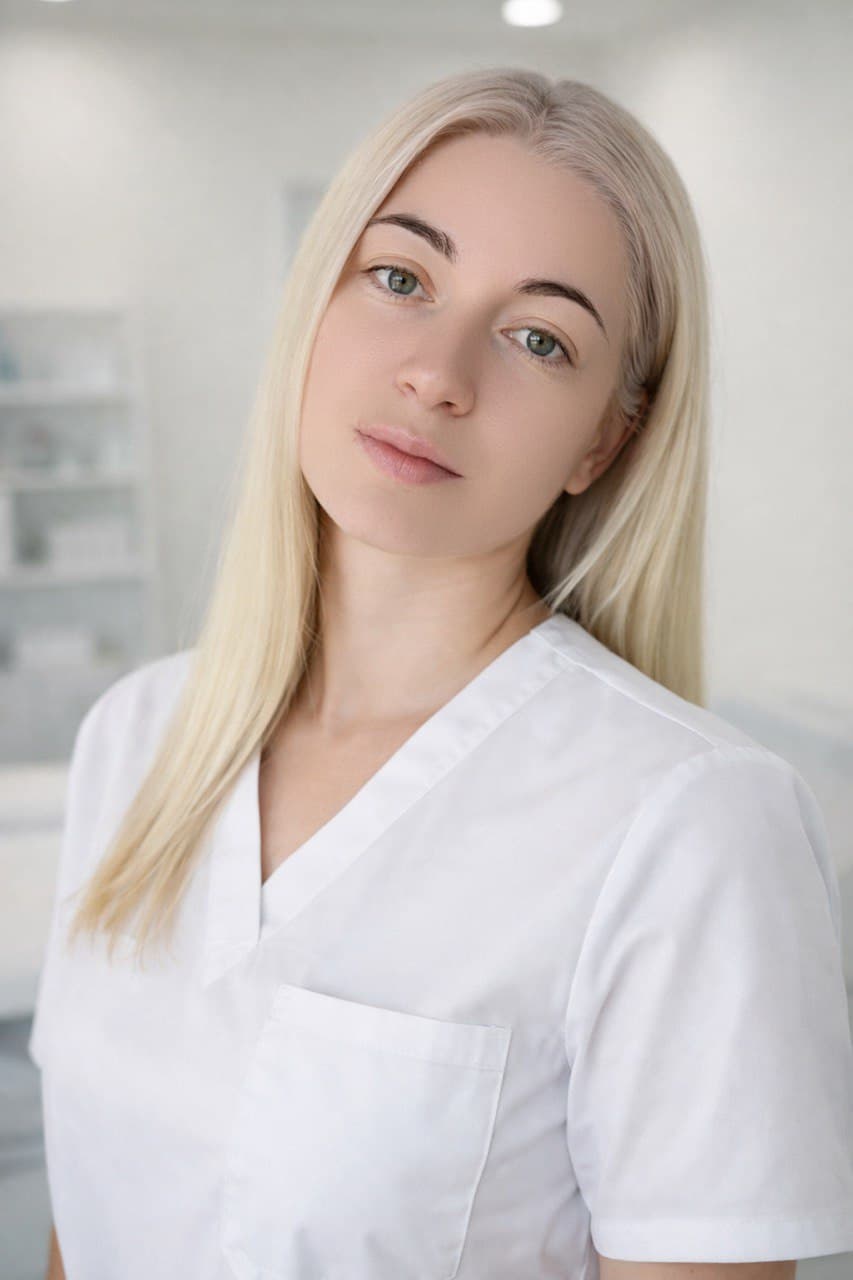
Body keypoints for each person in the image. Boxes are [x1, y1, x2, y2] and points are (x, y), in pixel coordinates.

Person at [29, 66, 853, 1280]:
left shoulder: (688, 819)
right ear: (315, 301)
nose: (438, 371)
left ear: (603, 441)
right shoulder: (139, 732)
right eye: (401, 277)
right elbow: (89, 1218)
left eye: (539, 336)